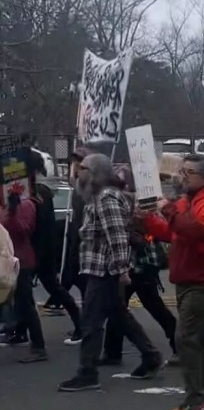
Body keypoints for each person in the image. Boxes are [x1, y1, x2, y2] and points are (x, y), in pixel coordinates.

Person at [58, 154, 164, 392]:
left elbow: (116, 237)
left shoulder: (106, 198)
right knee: (119, 316)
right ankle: (151, 356)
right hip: (99, 268)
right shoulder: (96, 198)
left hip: (104, 271)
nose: (78, 172)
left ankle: (87, 372)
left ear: (95, 173)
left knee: (91, 322)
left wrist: (121, 270)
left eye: (83, 168)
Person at [143, 154, 204, 410]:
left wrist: (169, 211)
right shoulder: (188, 201)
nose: (182, 176)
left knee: (186, 337)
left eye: (189, 172)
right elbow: (174, 233)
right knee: (200, 338)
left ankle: (194, 400)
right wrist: (146, 220)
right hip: (186, 278)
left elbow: (195, 231)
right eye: (182, 171)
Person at [102, 172, 178, 365]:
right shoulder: (129, 202)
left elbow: (143, 234)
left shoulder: (127, 204)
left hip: (139, 263)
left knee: (139, 307)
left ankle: (114, 352)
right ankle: (112, 352)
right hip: (139, 263)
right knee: (121, 308)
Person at [27, 151, 83, 344]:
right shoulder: (35, 191)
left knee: (49, 289)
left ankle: (78, 323)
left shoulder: (39, 193)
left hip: (40, 250)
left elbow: (39, 226)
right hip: (39, 249)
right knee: (50, 289)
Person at [0, 189, 47, 363]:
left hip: (20, 262)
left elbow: (22, 229)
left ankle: (38, 346)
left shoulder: (26, 205)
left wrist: (12, 211)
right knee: (17, 303)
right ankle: (19, 333)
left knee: (25, 303)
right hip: (7, 261)